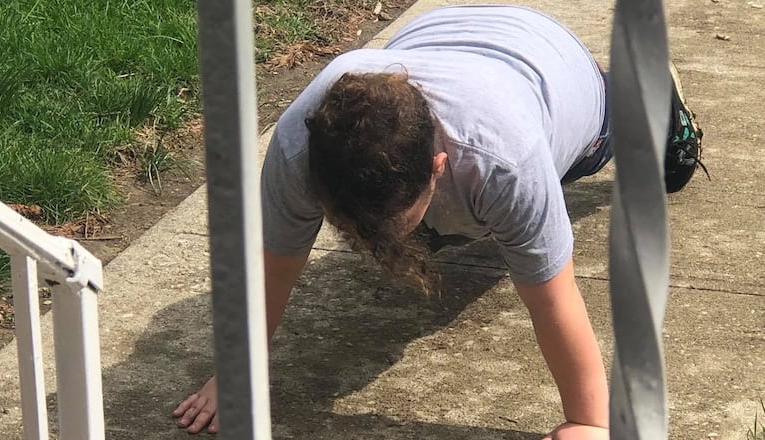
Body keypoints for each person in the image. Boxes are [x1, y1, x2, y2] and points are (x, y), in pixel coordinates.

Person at [173, 5, 704, 439]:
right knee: (418, 230)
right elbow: (274, 266)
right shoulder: (299, 146)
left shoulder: (504, 159)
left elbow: (553, 299)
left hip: (562, 77)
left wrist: (589, 419)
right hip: (442, 33)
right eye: (346, 223)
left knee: (635, 137)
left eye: (383, 225)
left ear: (437, 166)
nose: (363, 242)